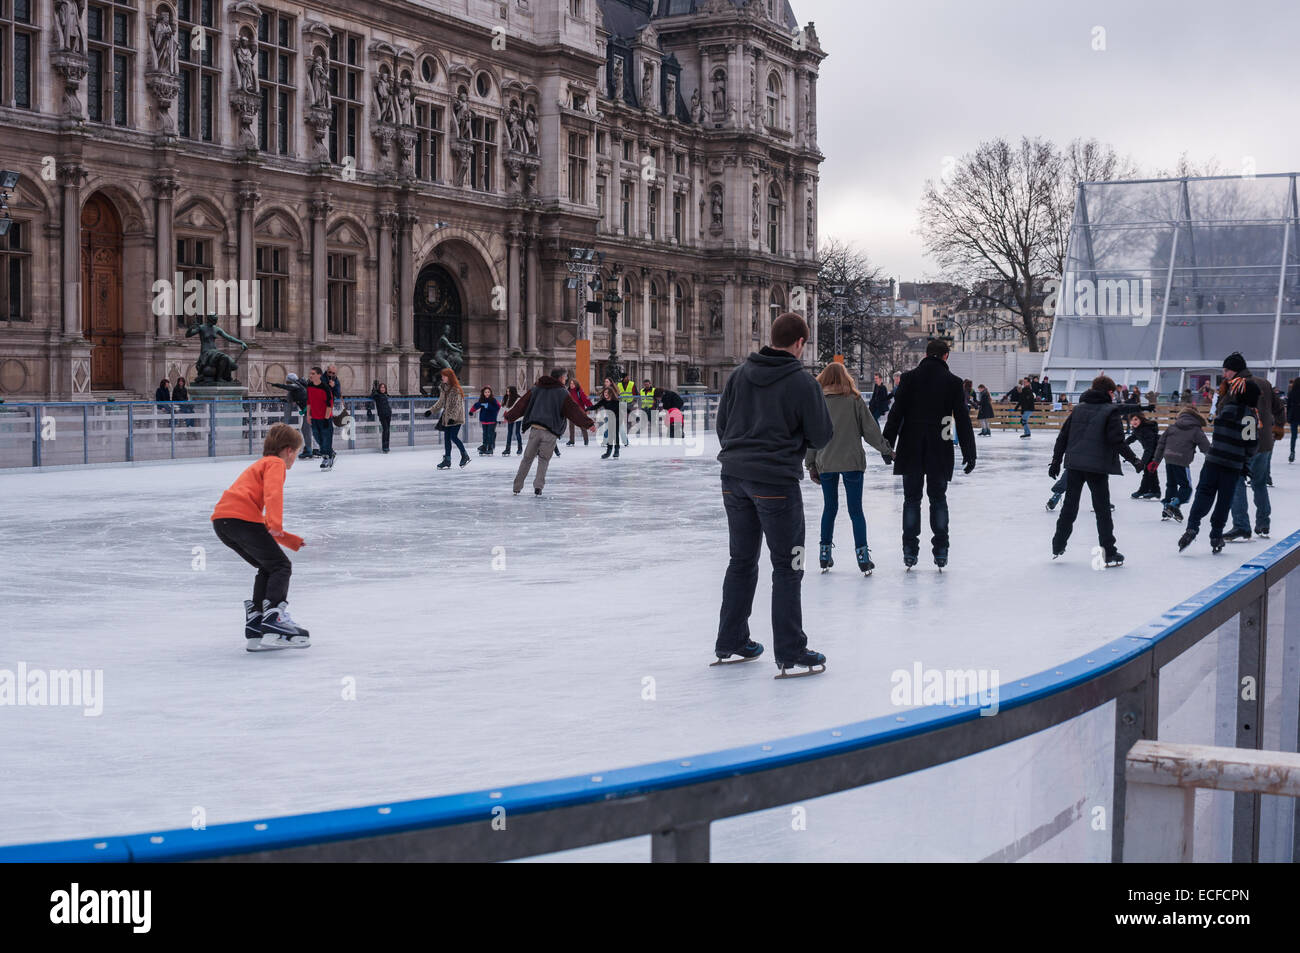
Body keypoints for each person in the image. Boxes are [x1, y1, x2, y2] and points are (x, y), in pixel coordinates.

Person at [714, 312, 832, 676]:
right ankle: (791, 648)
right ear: (799, 343)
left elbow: (722, 424)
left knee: (741, 560)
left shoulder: (740, 375)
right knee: (788, 565)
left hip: (734, 477)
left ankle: (732, 639)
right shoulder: (802, 382)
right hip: (776, 484)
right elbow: (822, 435)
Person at [210, 422, 309, 651]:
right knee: (281, 566)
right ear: (288, 450)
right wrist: (276, 523)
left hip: (224, 522)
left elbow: (255, 520)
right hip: (240, 520)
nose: (295, 459)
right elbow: (273, 494)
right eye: (297, 453)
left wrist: (289, 539)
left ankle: (257, 622)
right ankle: (274, 619)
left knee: (268, 566)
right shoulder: (275, 463)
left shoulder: (260, 464)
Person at [882, 338, 976, 570]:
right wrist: (969, 451)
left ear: (926, 354)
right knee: (938, 499)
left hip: (910, 445)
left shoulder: (909, 378)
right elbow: (962, 419)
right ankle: (941, 549)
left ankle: (909, 550)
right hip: (940, 446)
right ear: (946, 356)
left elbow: (896, 413)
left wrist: (887, 445)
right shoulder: (953, 383)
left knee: (911, 500)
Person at [805, 363, 893, 576]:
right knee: (856, 511)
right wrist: (886, 449)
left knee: (829, 508)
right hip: (852, 462)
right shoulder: (854, 400)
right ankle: (863, 558)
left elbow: (811, 436)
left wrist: (811, 464)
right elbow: (870, 430)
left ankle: (824, 555)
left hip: (826, 461)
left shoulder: (818, 403)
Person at [1048, 375, 1141, 566]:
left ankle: (1058, 544)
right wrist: (1135, 460)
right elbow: (1117, 441)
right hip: (1096, 467)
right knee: (1102, 510)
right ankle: (1109, 552)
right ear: (1108, 392)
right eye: (1113, 393)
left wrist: (1056, 461)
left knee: (1069, 507)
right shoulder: (1110, 411)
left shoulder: (1079, 409)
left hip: (1074, 464)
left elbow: (1062, 437)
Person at [1178, 358, 1259, 554]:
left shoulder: (1226, 409)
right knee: (1224, 499)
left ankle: (1192, 526)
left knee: (1204, 493)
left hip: (1213, 461)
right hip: (1232, 465)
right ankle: (1216, 535)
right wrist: (1245, 462)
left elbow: (1219, 431)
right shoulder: (1250, 416)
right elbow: (1251, 444)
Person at [503, 367, 593, 496]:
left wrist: (509, 417)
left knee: (527, 459)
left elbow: (522, 404)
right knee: (543, 460)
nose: (566, 379)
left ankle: (517, 487)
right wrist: (588, 424)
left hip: (535, 429)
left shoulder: (536, 388)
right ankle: (538, 487)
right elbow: (574, 411)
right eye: (565, 377)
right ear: (561, 378)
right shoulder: (562, 393)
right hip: (550, 432)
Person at [1226, 364, 1283, 540]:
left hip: (1244, 443)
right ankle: (1263, 523)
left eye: (1226, 370)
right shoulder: (1264, 383)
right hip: (1265, 443)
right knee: (1259, 483)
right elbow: (1279, 407)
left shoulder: (1236, 385)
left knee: (1237, 482)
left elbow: (1225, 412)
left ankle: (1241, 525)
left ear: (1234, 370)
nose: (1224, 374)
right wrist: (1278, 426)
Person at [1151, 405, 1209, 522]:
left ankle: (1167, 509)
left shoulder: (1172, 427)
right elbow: (1206, 447)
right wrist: (1213, 460)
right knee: (1186, 487)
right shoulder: (1196, 430)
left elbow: (1161, 444)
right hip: (1182, 461)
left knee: (1171, 484)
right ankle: (1173, 505)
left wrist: (1155, 461)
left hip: (1168, 458)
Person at [426, 367, 469, 469]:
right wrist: (431, 411)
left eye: (444, 376)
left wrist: (453, 418)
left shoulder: (456, 389)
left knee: (453, 437)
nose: (442, 378)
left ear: (449, 377)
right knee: (446, 438)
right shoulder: (444, 388)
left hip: (456, 418)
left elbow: (457, 405)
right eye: (442, 376)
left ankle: (464, 455)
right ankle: (447, 460)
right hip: (447, 417)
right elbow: (440, 402)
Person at [271, 372, 311, 457]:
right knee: (306, 429)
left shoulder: (297, 386)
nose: (287, 384)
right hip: (308, 411)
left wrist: (278, 385)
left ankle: (310, 450)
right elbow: (291, 401)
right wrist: (285, 401)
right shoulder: (295, 390)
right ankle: (310, 449)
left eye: (288, 382)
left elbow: (289, 387)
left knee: (307, 429)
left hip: (311, 410)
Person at [1125, 412, 1161, 499]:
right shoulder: (1138, 429)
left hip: (1157, 450)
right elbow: (1132, 438)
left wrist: (1143, 462)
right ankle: (1153, 491)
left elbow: (1150, 448)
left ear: (1141, 419)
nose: (1134, 422)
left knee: (1149, 469)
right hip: (1151, 450)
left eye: (1136, 419)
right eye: (1132, 420)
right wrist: (1121, 445)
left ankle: (1148, 490)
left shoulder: (1146, 430)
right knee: (1149, 470)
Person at [305, 367, 336, 469]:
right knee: (318, 437)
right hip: (314, 417)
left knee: (326, 438)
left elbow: (329, 404)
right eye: (310, 373)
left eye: (313, 373)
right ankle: (330, 453)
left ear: (319, 375)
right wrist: (308, 415)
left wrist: (326, 418)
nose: (311, 375)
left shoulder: (325, 388)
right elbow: (309, 401)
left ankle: (326, 458)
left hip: (325, 417)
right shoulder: (309, 386)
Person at [591, 385, 623, 459]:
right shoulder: (603, 401)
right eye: (605, 392)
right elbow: (595, 406)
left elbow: (624, 409)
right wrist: (586, 409)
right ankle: (609, 451)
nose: (605, 393)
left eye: (607, 392)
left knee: (614, 434)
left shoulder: (615, 401)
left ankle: (616, 450)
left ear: (611, 394)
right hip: (611, 418)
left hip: (618, 418)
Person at [471, 386, 501, 455]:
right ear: (483, 393)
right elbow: (476, 405)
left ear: (490, 393)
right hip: (484, 420)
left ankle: (490, 448)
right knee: (485, 434)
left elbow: (498, 407)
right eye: (485, 392)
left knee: (490, 434)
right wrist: (471, 411)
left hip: (492, 419)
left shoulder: (493, 400)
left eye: (488, 392)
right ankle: (484, 447)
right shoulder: (482, 400)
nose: (487, 393)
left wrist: (488, 406)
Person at [565, 376, 593, 446]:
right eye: (570, 384)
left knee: (582, 426)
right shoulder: (568, 392)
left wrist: (590, 407)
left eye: (573, 384)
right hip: (571, 412)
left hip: (580, 412)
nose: (571, 385)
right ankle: (572, 441)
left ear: (576, 384)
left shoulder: (579, 391)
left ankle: (586, 441)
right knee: (571, 427)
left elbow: (585, 400)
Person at [370, 381, 393, 453]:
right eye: (381, 387)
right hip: (382, 415)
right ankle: (384, 447)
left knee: (388, 430)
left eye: (384, 387)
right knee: (385, 430)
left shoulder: (386, 395)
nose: (383, 389)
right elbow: (372, 395)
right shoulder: (377, 395)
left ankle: (387, 446)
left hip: (388, 414)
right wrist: (374, 388)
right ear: (379, 388)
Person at [616, 372, 638, 446]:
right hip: (621, 404)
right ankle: (624, 434)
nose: (628, 378)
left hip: (629, 404)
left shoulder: (632, 384)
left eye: (628, 377)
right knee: (621, 419)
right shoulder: (618, 385)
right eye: (626, 377)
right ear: (623, 378)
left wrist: (634, 402)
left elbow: (636, 394)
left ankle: (627, 433)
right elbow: (616, 394)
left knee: (628, 418)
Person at [501, 386, 524, 455]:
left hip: (517, 418)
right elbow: (504, 408)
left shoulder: (518, 399)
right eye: (507, 391)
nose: (508, 393)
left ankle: (520, 448)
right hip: (510, 417)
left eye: (509, 391)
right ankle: (507, 449)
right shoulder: (506, 398)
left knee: (517, 432)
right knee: (509, 433)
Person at [1287, 377, 1300, 463]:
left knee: (1293, 436)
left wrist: (1288, 416)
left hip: (1294, 415)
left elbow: (1288, 405)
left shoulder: (1291, 393)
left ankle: (1292, 452)